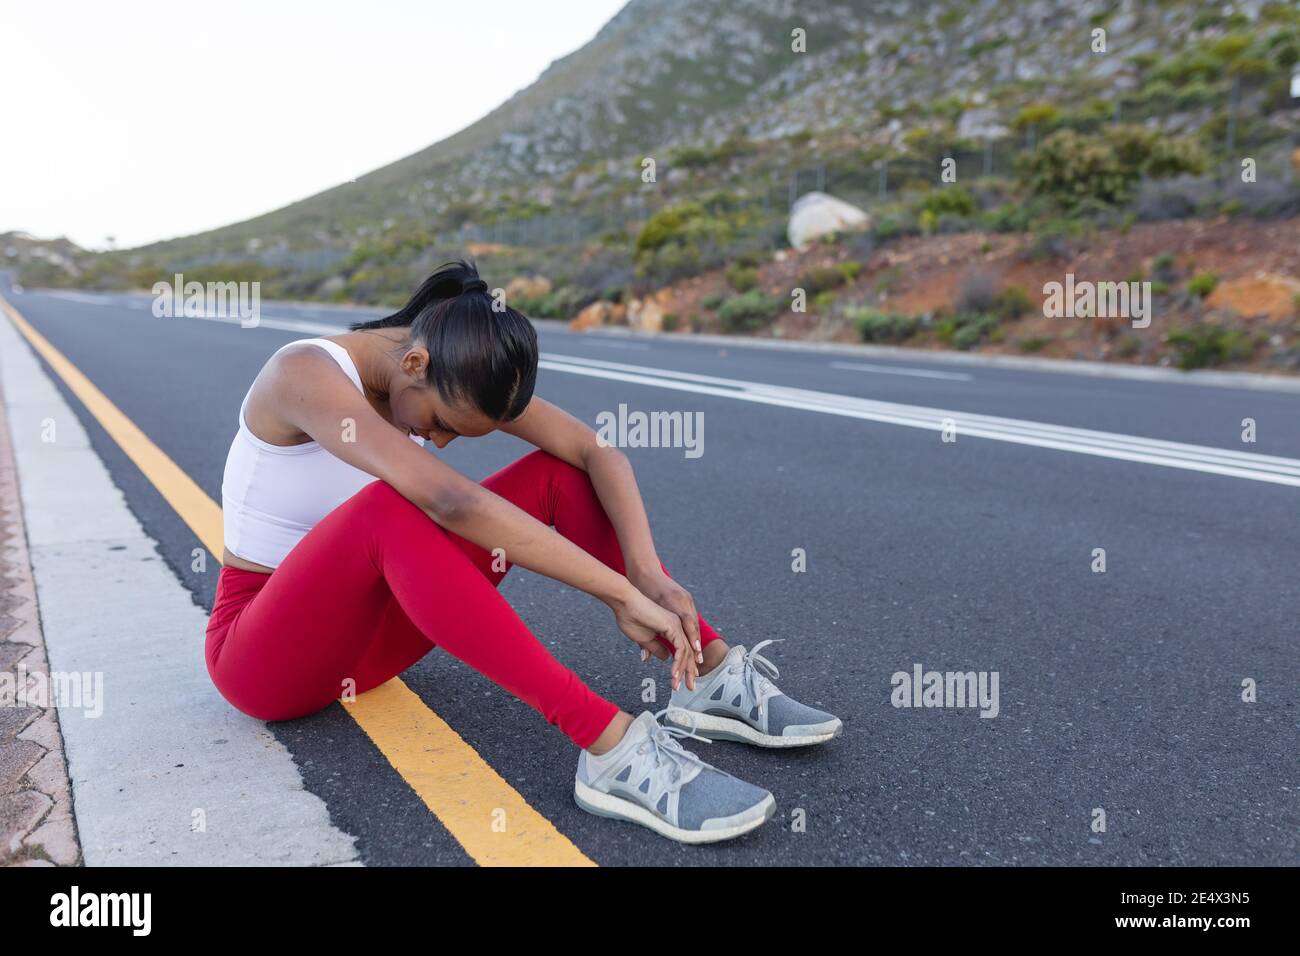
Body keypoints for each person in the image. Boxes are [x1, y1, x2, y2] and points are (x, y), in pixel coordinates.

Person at [205, 260, 841, 844]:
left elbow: (597, 453)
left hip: (372, 645)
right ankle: (611, 749)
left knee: (561, 473)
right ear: (414, 364)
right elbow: (449, 501)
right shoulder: (304, 374)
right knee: (390, 508)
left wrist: (646, 573)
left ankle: (704, 668)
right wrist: (615, 592)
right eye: (442, 425)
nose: (444, 441)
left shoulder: (451, 368)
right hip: (264, 658)